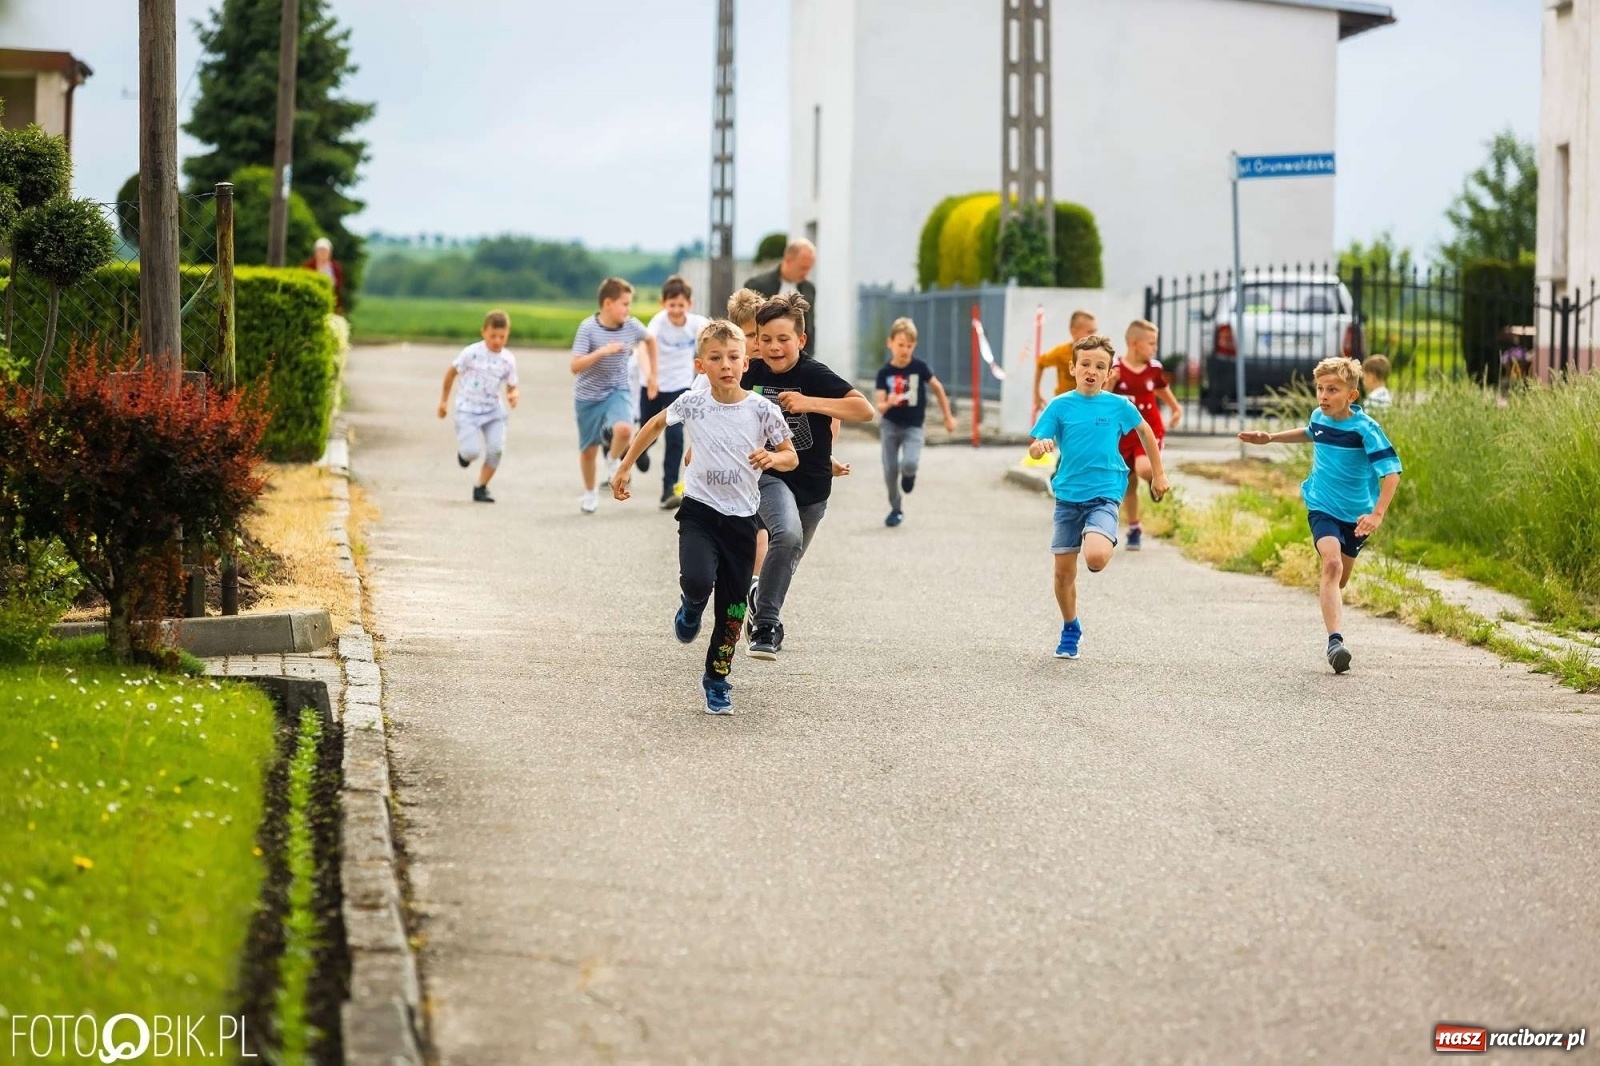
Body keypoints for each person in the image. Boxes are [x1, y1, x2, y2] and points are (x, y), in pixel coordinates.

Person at [611, 320, 797, 714]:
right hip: (699, 512)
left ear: (747, 363)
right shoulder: (692, 403)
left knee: (732, 609)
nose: (725, 365)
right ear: (701, 366)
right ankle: (691, 605)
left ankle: (717, 679)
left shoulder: (763, 410)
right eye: (716, 358)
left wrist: (773, 457)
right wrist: (626, 465)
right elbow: (656, 423)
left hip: (742, 520)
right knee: (697, 580)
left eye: (733, 357)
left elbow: (790, 455)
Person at [1239, 356, 1401, 675]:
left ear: (1352, 396)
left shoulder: (1366, 429)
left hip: (1357, 517)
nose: (1323, 396)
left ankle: (1331, 609)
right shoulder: (1319, 416)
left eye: (1332, 390)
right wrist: (1270, 438)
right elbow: (1311, 431)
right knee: (1331, 564)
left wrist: (1378, 514)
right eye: (1320, 389)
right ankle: (1335, 643)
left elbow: (1392, 473)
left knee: (1339, 580)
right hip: (1321, 505)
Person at [742, 293, 875, 659]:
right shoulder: (750, 372)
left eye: (783, 339)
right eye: (765, 339)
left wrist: (809, 403)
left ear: (800, 340)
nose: (773, 347)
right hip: (770, 474)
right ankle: (766, 626)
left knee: (787, 555)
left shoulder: (814, 374)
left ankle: (758, 595)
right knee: (785, 535)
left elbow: (864, 410)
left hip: (813, 488)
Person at [1028, 334, 1169, 659]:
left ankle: (1101, 535)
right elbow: (1036, 447)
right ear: (1074, 367)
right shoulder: (1060, 405)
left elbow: (1146, 431)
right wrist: (1040, 448)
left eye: (1100, 366)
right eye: (1086, 364)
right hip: (1067, 498)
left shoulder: (1118, 406)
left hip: (1105, 494)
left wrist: (1158, 473)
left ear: (1109, 374)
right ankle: (1070, 626)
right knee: (1063, 574)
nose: (1092, 370)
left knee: (1094, 557)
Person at [570, 277, 658, 514]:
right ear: (607, 303)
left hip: (617, 390)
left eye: (630, 304)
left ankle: (613, 459)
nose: (628, 310)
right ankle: (590, 494)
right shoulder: (588, 327)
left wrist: (652, 376)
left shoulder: (632, 326)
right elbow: (575, 366)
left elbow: (650, 341)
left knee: (625, 430)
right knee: (588, 450)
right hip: (587, 396)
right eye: (625, 304)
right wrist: (602, 352)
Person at [873, 316, 957, 527]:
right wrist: (889, 402)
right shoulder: (885, 373)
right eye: (900, 345)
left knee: (909, 463)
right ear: (890, 342)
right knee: (890, 469)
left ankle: (909, 475)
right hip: (890, 425)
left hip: (913, 426)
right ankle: (896, 508)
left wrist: (948, 417)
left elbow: (937, 388)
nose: (905, 350)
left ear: (914, 346)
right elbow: (879, 406)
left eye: (909, 346)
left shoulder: (920, 367)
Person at [1109, 319, 1183, 551]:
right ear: (1134, 343)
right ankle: (1134, 528)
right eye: (1151, 343)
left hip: (1149, 429)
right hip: (1123, 434)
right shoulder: (1116, 369)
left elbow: (1161, 388)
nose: (1155, 348)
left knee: (1143, 469)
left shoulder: (1154, 369)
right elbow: (1104, 399)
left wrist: (1176, 408)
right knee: (1128, 483)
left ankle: (1155, 480)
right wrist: (1110, 384)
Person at [436, 309, 519, 503]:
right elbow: (451, 373)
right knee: (471, 451)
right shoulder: (471, 353)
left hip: (493, 411)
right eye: (493, 336)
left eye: (502, 337)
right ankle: (464, 455)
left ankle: (481, 487)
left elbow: (512, 386)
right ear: (483, 332)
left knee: (496, 450)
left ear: (508, 335)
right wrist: (443, 401)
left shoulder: (508, 359)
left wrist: (513, 395)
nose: (497, 341)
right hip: (468, 409)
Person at [641, 275, 709, 509]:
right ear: (663, 304)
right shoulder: (658, 323)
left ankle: (668, 489)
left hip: (680, 385)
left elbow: (717, 335)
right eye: (672, 305)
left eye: (681, 305)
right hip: (654, 383)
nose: (676, 310)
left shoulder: (696, 323)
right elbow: (644, 347)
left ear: (689, 305)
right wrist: (650, 377)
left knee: (675, 435)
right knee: (648, 429)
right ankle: (639, 452)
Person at [744, 238, 818, 355]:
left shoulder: (809, 289)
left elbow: (810, 327)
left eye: (809, 268)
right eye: (803, 268)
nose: (807, 273)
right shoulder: (756, 286)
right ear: (788, 260)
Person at [1031, 309, 1098, 423]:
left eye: (1095, 331)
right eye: (1089, 332)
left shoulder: (1099, 354)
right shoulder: (1061, 352)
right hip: (1066, 407)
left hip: (1089, 407)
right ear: (1074, 331)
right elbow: (1040, 363)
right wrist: (1037, 395)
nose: (1094, 336)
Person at [303, 237, 346, 314]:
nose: (323, 253)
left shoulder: (336, 267)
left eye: (325, 251)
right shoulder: (308, 266)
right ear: (315, 252)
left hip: (331, 300)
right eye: (320, 251)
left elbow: (339, 287)